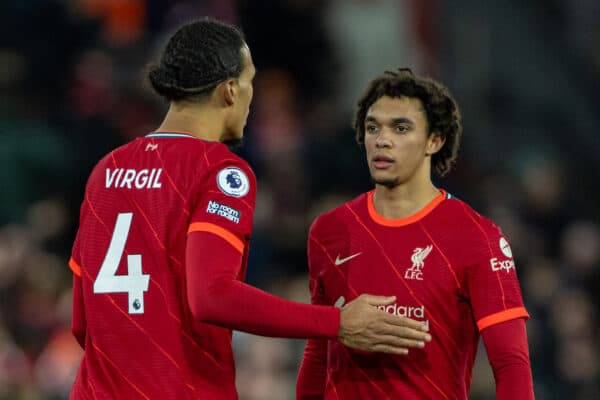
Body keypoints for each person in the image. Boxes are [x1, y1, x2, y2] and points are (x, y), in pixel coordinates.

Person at [67, 19, 431, 399]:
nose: (250, 96)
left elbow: (81, 321)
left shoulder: (107, 169)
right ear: (228, 91)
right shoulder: (219, 170)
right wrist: (337, 322)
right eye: (249, 81)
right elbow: (211, 295)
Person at [297, 68, 534, 399]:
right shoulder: (329, 230)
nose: (382, 139)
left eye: (401, 128)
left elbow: (511, 364)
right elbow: (318, 355)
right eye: (372, 127)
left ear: (434, 140)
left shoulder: (477, 236)